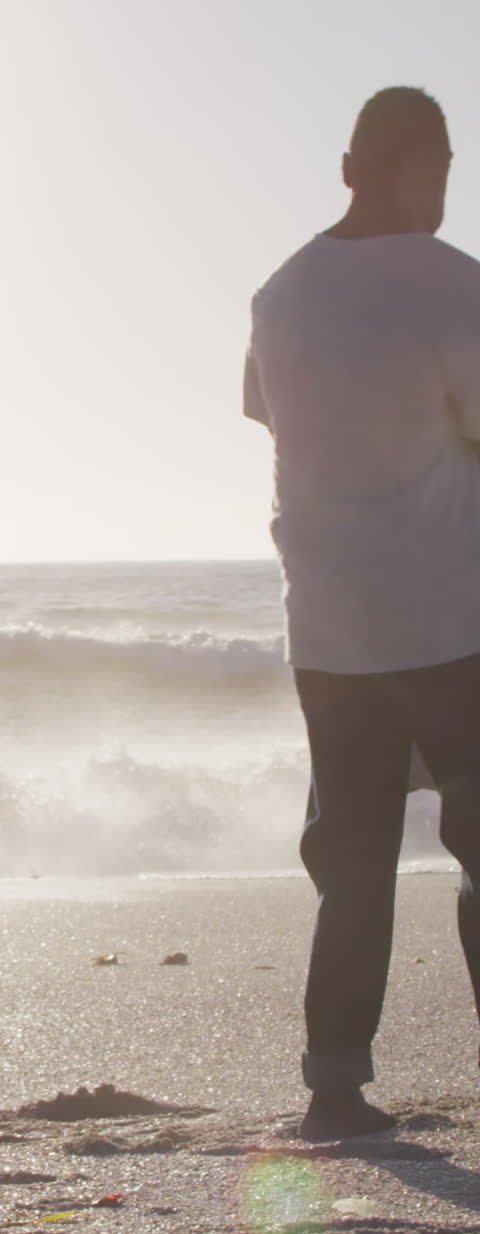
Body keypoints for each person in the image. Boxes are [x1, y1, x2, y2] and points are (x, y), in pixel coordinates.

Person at [244, 86, 480, 1141]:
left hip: (331, 630)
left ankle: (334, 1084)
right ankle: (336, 1080)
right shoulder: (456, 287)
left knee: (353, 856)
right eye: (424, 173)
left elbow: (269, 411)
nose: (435, 194)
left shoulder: (278, 294)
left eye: (444, 172)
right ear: (361, 169)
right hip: (450, 622)